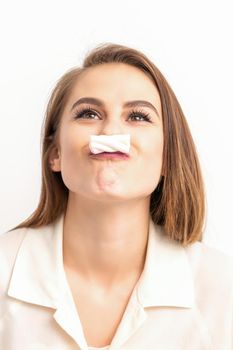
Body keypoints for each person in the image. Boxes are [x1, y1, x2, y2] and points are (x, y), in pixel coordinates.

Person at [0, 43, 232, 350]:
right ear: (54, 154)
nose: (110, 132)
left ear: (167, 158)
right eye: (89, 113)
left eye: (137, 117)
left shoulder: (221, 289)